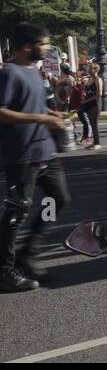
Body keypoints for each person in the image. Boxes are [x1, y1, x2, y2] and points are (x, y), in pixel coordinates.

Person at [0, 23, 72, 292]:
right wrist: (40, 117)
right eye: (43, 44)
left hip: (44, 151)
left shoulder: (34, 71)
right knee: (17, 212)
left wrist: (48, 113)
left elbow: (31, 103)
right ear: (27, 46)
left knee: (58, 198)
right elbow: (2, 112)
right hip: (21, 155)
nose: (47, 48)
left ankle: (28, 252)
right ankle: (5, 271)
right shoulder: (9, 73)